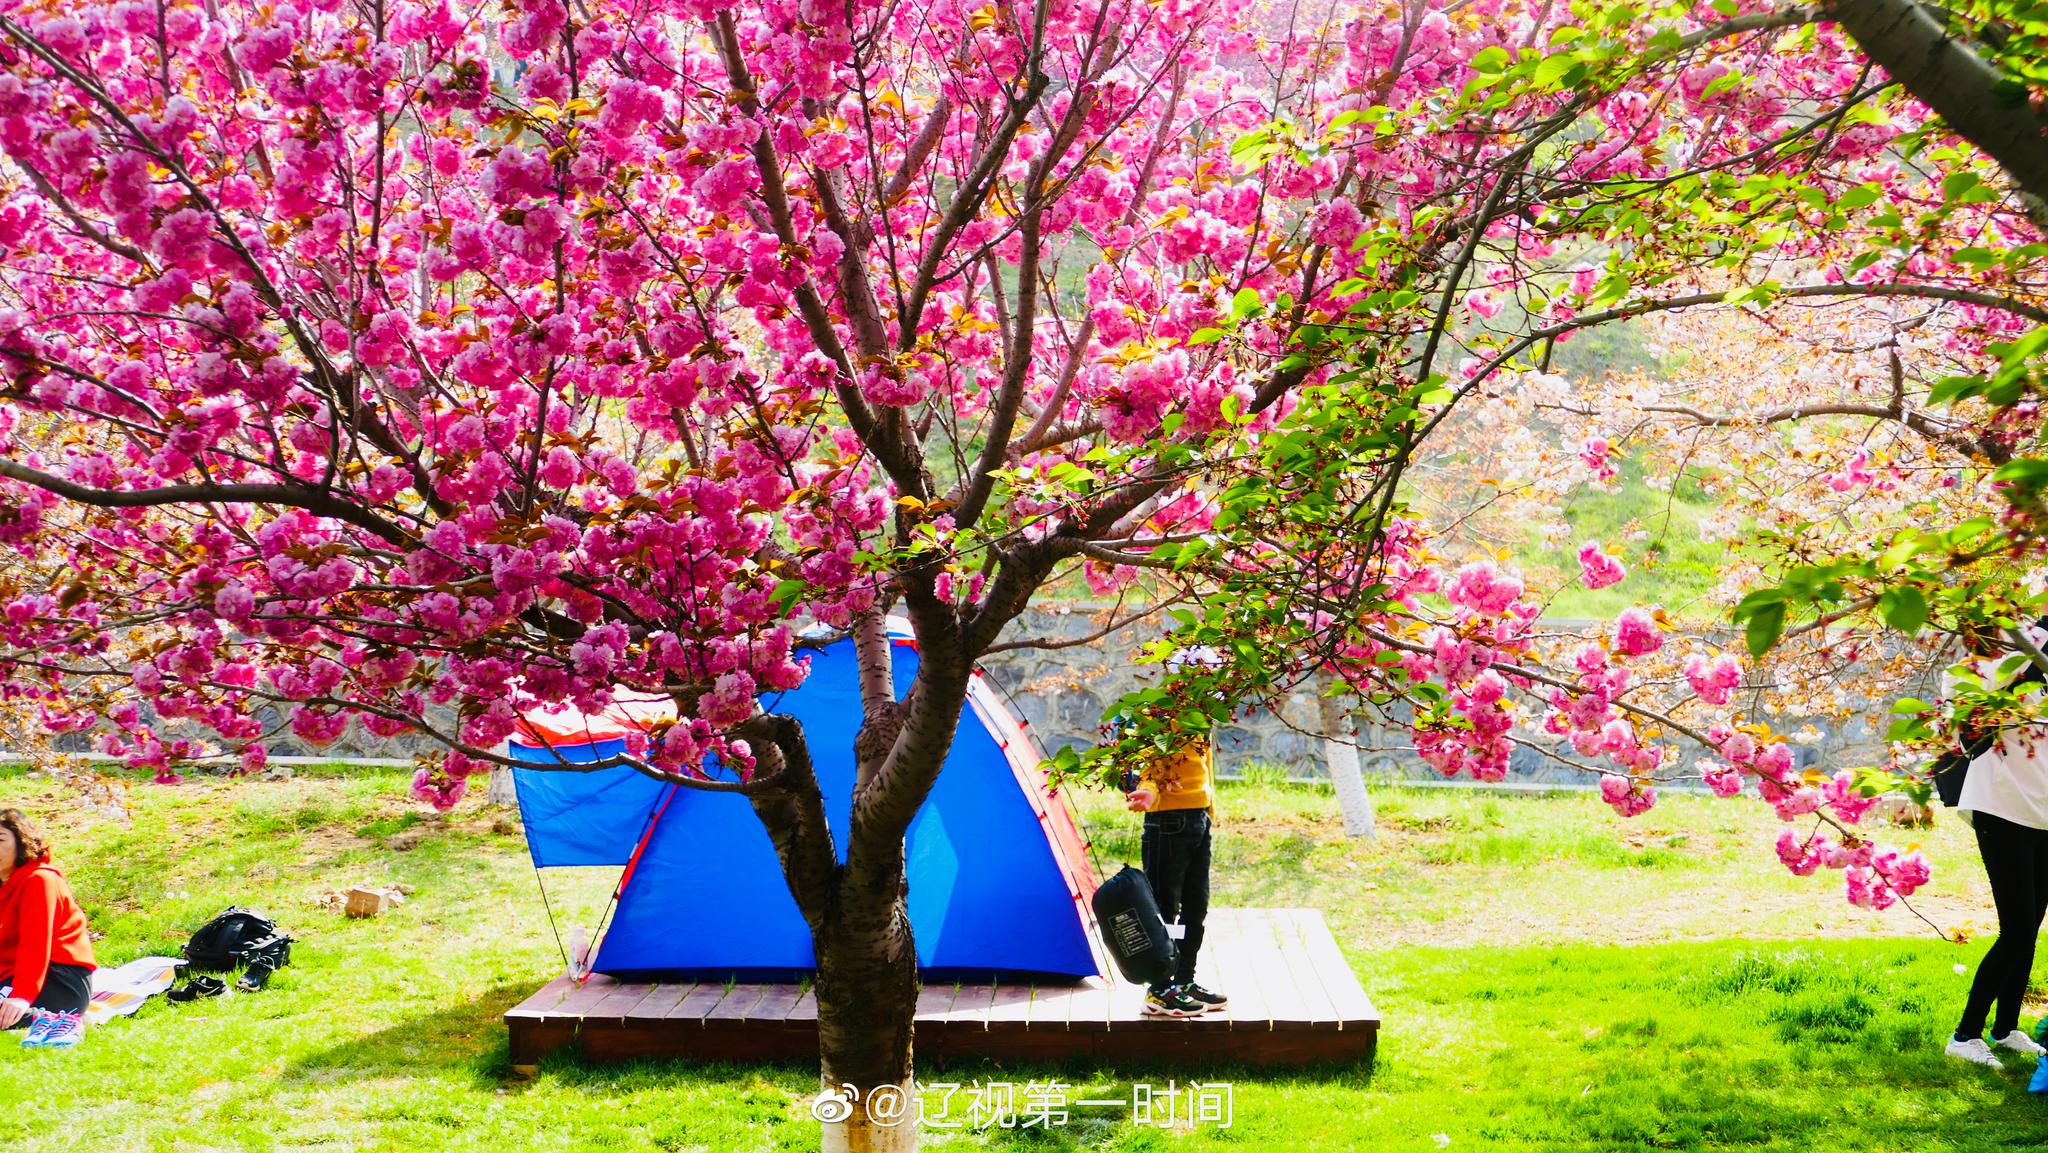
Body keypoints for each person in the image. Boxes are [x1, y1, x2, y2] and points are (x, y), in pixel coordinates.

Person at [1942, 621, 2048, 1070]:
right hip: (2000, 810)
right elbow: (1973, 726)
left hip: (2042, 814)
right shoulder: (1967, 676)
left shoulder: (2038, 674)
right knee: (2017, 929)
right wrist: (2035, 642)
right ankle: (1965, 1035)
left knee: (2030, 927)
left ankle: (2005, 1029)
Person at [1124, 719, 1229, 1018]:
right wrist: (1148, 791)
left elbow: (1202, 763)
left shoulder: (1197, 710)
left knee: (1195, 908)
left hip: (1198, 817)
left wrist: (1208, 809)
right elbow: (1142, 763)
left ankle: (1183, 981)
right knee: (1164, 909)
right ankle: (1159, 989)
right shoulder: (1154, 711)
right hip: (1167, 821)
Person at [0, 808, 97, 1048]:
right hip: (15, 974)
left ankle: (61, 1021)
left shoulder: (40, 879)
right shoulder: (5, 884)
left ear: (22, 842)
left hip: (59, 977)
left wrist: (21, 995)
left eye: (0, 840)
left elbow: (36, 943)